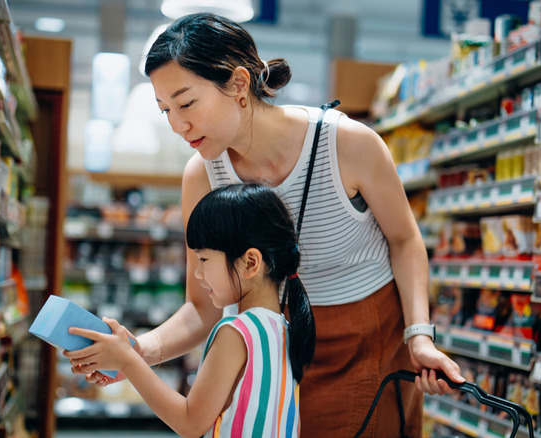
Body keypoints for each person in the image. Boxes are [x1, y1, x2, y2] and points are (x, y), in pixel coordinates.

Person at [71, 12, 464, 436]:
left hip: (368, 337)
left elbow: (405, 240)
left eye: (186, 103)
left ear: (239, 84)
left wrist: (419, 335)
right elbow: (201, 306)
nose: (177, 124)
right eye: (165, 109)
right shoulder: (202, 174)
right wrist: (135, 351)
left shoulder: (348, 143)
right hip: (276, 344)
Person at [65, 183, 315, 437]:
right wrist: (129, 359)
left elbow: (190, 421)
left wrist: (129, 362)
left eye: (203, 259)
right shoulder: (282, 328)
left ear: (250, 262)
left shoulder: (236, 333)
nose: (197, 273)